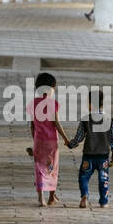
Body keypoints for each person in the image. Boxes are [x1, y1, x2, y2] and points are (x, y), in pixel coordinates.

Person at [66, 87, 113, 208]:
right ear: (102, 103)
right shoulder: (110, 120)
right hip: (103, 156)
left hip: (88, 156)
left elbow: (79, 138)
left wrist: (71, 144)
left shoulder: (86, 119)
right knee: (103, 179)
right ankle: (103, 202)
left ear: (90, 104)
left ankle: (84, 195)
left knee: (83, 177)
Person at [27, 72, 71, 207]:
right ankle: (52, 196)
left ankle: (41, 198)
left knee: (39, 167)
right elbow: (57, 124)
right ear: (50, 89)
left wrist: (34, 141)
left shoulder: (32, 104)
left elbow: (32, 125)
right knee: (53, 168)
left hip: (39, 141)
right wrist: (66, 139)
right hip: (52, 142)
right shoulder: (53, 104)